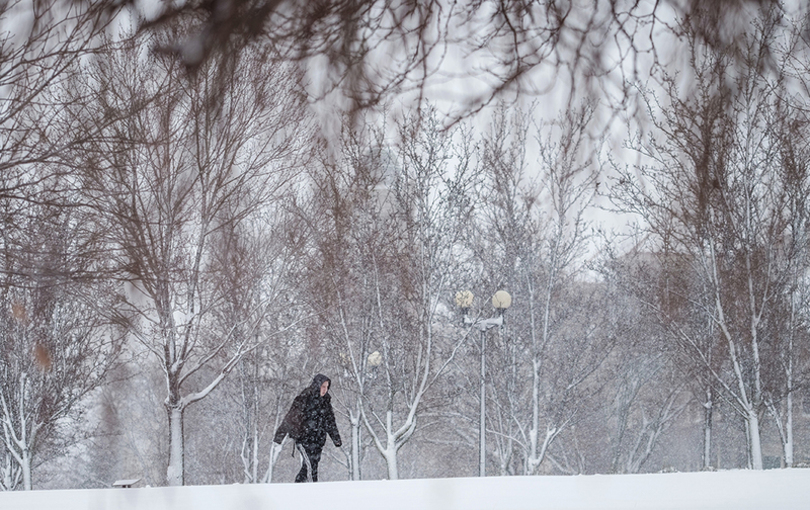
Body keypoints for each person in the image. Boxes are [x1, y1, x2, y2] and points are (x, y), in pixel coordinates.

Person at [273, 374, 342, 482]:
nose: (325, 390)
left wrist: (336, 439)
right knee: (310, 464)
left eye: (327, 387)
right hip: (303, 438)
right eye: (323, 386)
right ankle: (313, 489)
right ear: (317, 385)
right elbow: (290, 417)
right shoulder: (304, 397)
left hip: (318, 439)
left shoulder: (326, 402)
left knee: (312, 465)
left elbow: (330, 422)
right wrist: (279, 436)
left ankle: (299, 485)